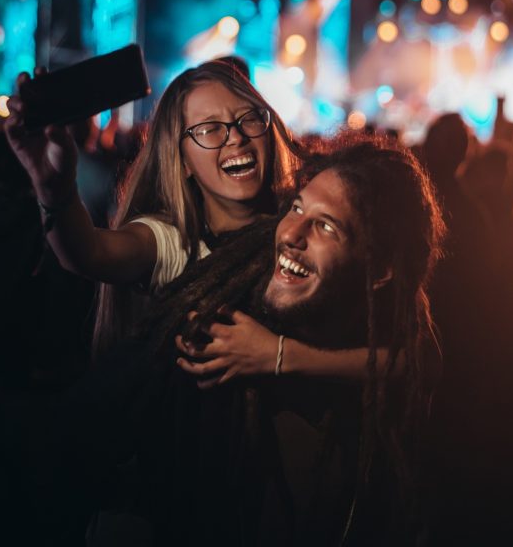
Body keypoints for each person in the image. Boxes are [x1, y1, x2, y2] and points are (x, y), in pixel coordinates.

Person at [34, 132, 445, 545]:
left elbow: (422, 363)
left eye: (325, 226)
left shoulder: (383, 353)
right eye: (297, 208)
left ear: (381, 272)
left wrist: (278, 355)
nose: (292, 234)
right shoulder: (221, 305)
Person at [5, 59, 302, 353]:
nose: (236, 137)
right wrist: (54, 188)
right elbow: (87, 253)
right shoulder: (176, 244)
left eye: (248, 118)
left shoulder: (309, 222)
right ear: (182, 160)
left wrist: (281, 356)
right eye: (210, 128)